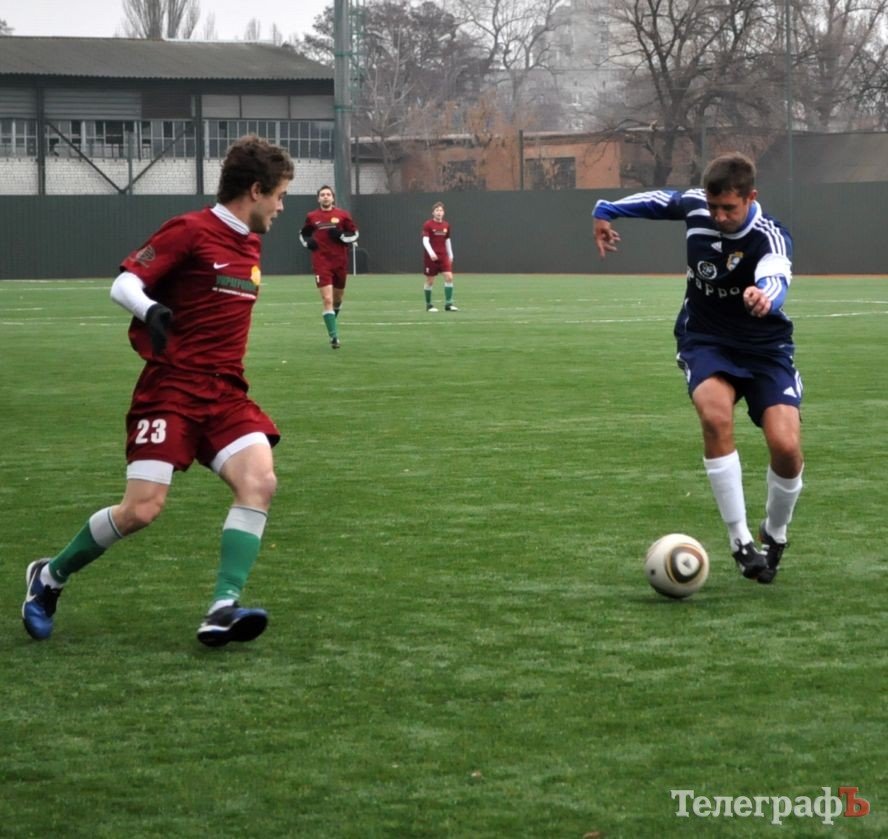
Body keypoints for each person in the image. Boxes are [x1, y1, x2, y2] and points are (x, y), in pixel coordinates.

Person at [22, 135, 295, 646]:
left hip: (225, 395)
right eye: (279, 195)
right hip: (170, 390)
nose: (282, 207)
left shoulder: (250, 244)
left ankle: (222, 608)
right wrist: (150, 310)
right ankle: (48, 578)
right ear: (255, 190)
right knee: (142, 509)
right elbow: (123, 283)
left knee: (259, 481)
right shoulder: (191, 230)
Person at [593, 152, 803, 584]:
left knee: (785, 446)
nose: (719, 216)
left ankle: (774, 533)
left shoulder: (769, 235)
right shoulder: (696, 207)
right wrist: (605, 210)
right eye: (713, 207)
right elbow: (657, 202)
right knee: (714, 415)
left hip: (764, 348)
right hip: (705, 339)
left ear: (750, 198)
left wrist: (766, 296)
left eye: (729, 208)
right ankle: (741, 540)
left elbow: (777, 274)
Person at [300, 185, 360, 348]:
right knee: (327, 299)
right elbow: (303, 233)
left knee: (337, 299)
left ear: (333, 198)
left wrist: (342, 236)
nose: (325, 197)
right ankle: (334, 337)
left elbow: (354, 234)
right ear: (318, 198)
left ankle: (332, 319)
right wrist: (308, 242)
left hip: (340, 261)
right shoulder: (312, 217)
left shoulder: (342, 215)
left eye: (328, 194)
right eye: (322, 195)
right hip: (321, 262)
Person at [422, 201, 458, 312]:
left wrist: (450, 254)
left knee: (449, 277)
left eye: (441, 210)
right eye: (437, 210)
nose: (439, 212)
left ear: (444, 212)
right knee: (430, 281)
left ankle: (449, 304)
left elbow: (447, 240)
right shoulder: (428, 224)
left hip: (443, 256)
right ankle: (429, 305)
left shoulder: (446, 225)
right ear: (433, 213)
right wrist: (431, 253)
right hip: (431, 257)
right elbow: (425, 240)